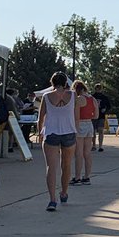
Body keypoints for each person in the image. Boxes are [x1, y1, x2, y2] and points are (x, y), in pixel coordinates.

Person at [37, 72, 76, 212]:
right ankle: (64, 192)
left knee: (51, 167)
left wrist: (39, 132)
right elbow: (76, 114)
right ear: (66, 83)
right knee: (66, 165)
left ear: (52, 82)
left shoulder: (47, 97)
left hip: (51, 132)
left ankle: (52, 199)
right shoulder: (72, 95)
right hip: (69, 132)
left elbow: (41, 117)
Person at [70, 80, 98, 185]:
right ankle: (87, 177)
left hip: (80, 124)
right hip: (89, 124)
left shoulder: (79, 99)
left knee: (79, 153)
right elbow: (96, 116)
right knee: (87, 152)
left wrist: (75, 129)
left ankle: (77, 177)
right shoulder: (93, 99)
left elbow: (76, 116)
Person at [91, 83, 111, 151]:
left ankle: (100, 146)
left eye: (99, 88)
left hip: (101, 116)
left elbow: (109, 106)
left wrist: (105, 109)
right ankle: (93, 145)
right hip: (93, 116)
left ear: (101, 89)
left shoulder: (104, 97)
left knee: (100, 130)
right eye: (97, 88)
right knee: (93, 131)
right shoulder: (92, 97)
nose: (98, 90)